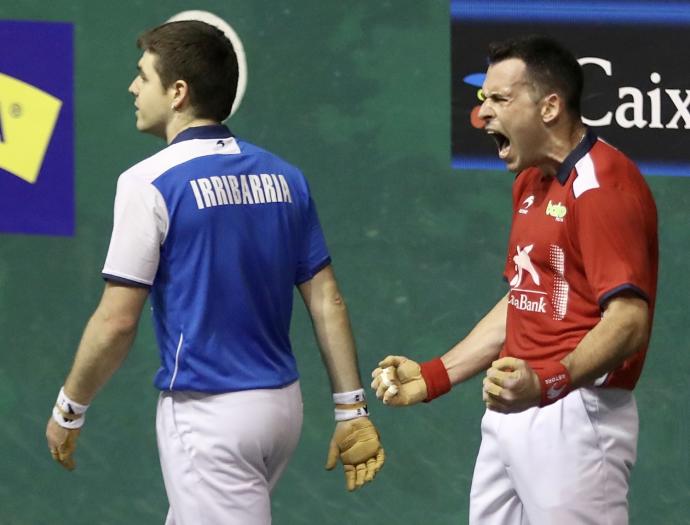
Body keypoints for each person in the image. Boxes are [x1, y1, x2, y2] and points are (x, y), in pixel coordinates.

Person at [46, 20, 384, 525]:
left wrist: (69, 408)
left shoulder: (148, 183)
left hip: (210, 415)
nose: (133, 88)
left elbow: (116, 323)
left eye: (144, 76)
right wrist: (350, 409)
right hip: (281, 410)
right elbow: (325, 299)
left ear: (178, 92)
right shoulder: (285, 177)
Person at [372, 35, 657, 525]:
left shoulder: (602, 187)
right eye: (484, 100)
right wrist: (436, 374)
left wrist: (547, 383)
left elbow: (629, 320)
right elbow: (524, 299)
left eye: (500, 100)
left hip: (577, 415)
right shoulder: (531, 182)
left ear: (549, 107)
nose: (483, 115)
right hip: (513, 407)